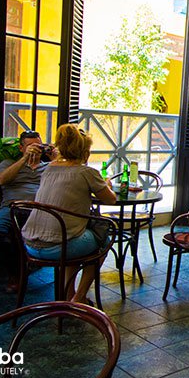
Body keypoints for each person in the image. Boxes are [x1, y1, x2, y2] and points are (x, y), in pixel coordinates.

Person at [21, 124, 117, 305]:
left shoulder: (48, 169)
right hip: (59, 247)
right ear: (85, 152)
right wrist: (107, 184)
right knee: (103, 239)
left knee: (76, 235)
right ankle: (79, 298)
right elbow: (110, 200)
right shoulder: (87, 172)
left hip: (30, 245)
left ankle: (68, 294)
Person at [0, 130, 56, 292]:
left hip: (41, 210)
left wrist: (56, 159)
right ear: (21, 148)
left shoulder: (49, 167)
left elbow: (68, 178)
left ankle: (21, 270)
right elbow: (1, 180)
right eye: (30, 146)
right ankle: (17, 270)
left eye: (38, 145)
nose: (34, 149)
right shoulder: (8, 163)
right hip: (11, 208)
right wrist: (24, 160)